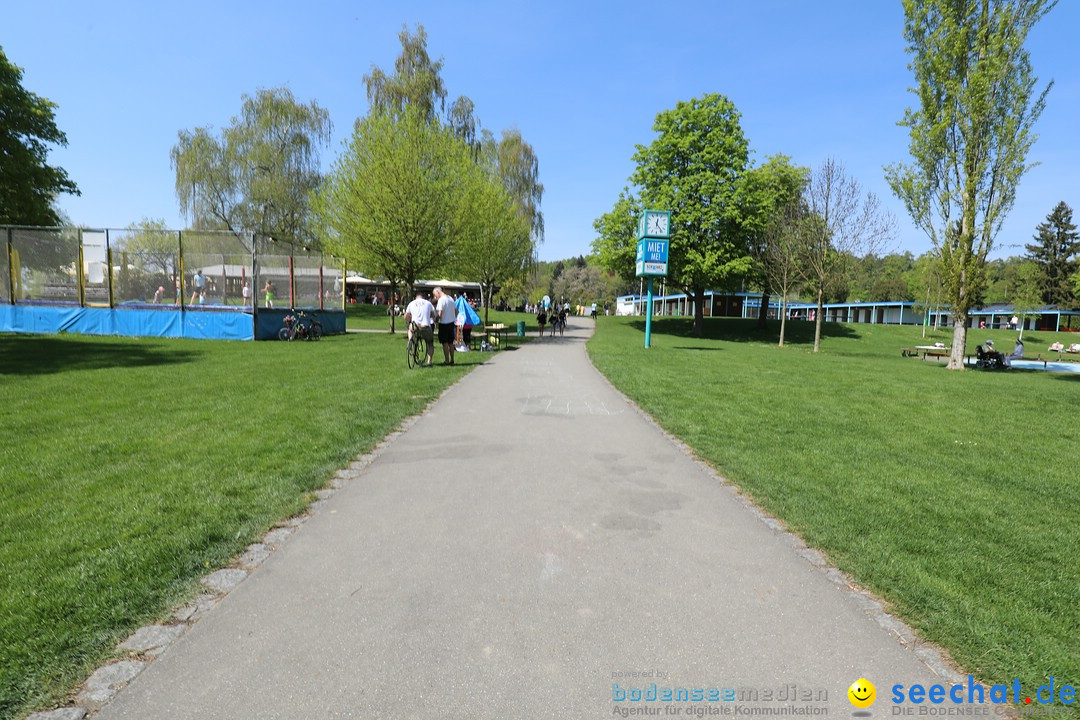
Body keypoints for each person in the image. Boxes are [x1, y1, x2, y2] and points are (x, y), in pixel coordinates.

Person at [404, 290, 435, 367]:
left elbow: (406, 317)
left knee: (410, 329)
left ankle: (410, 340)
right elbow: (433, 315)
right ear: (423, 297)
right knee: (430, 343)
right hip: (425, 326)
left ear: (416, 297)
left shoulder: (411, 303)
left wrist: (410, 317)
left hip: (415, 325)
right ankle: (429, 361)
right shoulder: (428, 303)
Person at [433, 286, 457, 365]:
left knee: (445, 343)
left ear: (438, 292)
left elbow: (440, 314)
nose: (435, 297)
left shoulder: (441, 300)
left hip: (444, 324)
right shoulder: (450, 298)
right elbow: (456, 311)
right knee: (451, 342)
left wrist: (436, 320)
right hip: (451, 323)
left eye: (435, 295)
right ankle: (452, 359)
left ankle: (447, 360)